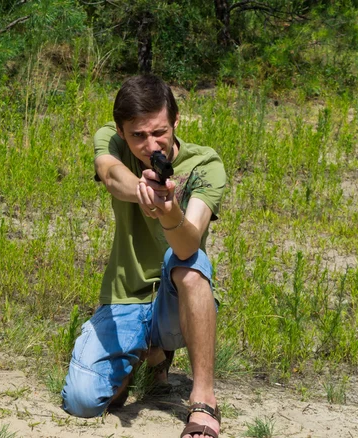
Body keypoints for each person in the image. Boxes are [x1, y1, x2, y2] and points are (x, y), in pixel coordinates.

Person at [61, 75, 226, 438]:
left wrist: (167, 209)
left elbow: (188, 244)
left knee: (192, 264)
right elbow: (109, 172)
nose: (151, 144)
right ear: (121, 130)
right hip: (124, 296)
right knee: (83, 400)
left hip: (174, 300)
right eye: (137, 136)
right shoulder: (112, 138)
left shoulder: (206, 165)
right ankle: (147, 356)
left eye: (159, 132)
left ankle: (203, 398)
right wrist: (142, 191)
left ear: (176, 121)